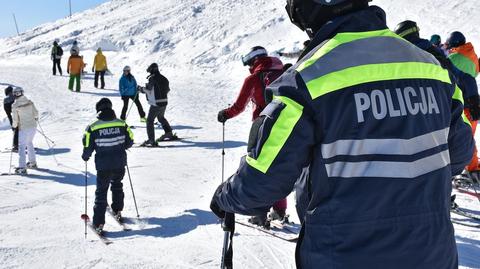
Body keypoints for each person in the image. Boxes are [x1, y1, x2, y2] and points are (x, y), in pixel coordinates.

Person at [210, 1, 474, 268]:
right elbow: (461, 152)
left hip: (345, 254)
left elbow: (262, 181)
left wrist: (226, 197)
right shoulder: (433, 68)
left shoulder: (307, 79)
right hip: (433, 253)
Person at [217, 46, 286, 227]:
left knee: (259, 170)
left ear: (253, 61)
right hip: (288, 125)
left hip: (263, 129)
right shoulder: (286, 71)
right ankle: (279, 211)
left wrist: (225, 114)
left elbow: (239, 106)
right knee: (282, 167)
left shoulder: (253, 78)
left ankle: (260, 213)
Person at [81, 98, 134, 233]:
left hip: (103, 165)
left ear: (98, 109)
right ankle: (117, 210)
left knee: (101, 192)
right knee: (117, 185)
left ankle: (99, 223)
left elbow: (87, 144)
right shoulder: (121, 123)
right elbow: (130, 141)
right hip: (119, 162)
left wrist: (86, 156)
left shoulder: (93, 126)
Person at [445, 31, 480, 175]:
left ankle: (465, 167)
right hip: (473, 100)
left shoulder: (453, 58)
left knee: (456, 136)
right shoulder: (473, 56)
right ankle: (473, 166)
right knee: (469, 136)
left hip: (460, 100)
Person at [138, 63, 175, 146]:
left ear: (152, 70)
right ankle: (168, 132)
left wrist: (140, 89)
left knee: (149, 121)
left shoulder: (153, 78)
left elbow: (148, 89)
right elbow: (168, 90)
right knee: (161, 117)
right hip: (164, 102)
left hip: (156, 103)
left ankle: (151, 140)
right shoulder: (164, 78)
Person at [11, 87, 39, 174]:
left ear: (15, 94)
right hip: (33, 127)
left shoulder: (15, 105)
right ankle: (32, 163)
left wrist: (14, 126)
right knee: (29, 143)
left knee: (22, 146)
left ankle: (22, 167)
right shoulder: (29, 102)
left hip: (24, 128)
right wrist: (34, 118)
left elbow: (15, 120)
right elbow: (36, 113)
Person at [3, 86, 19, 152]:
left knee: (15, 129)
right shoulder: (15, 96)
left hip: (10, 115)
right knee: (19, 129)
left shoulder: (5, 99)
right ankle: (20, 144)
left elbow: (7, 111)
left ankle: (15, 145)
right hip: (17, 115)